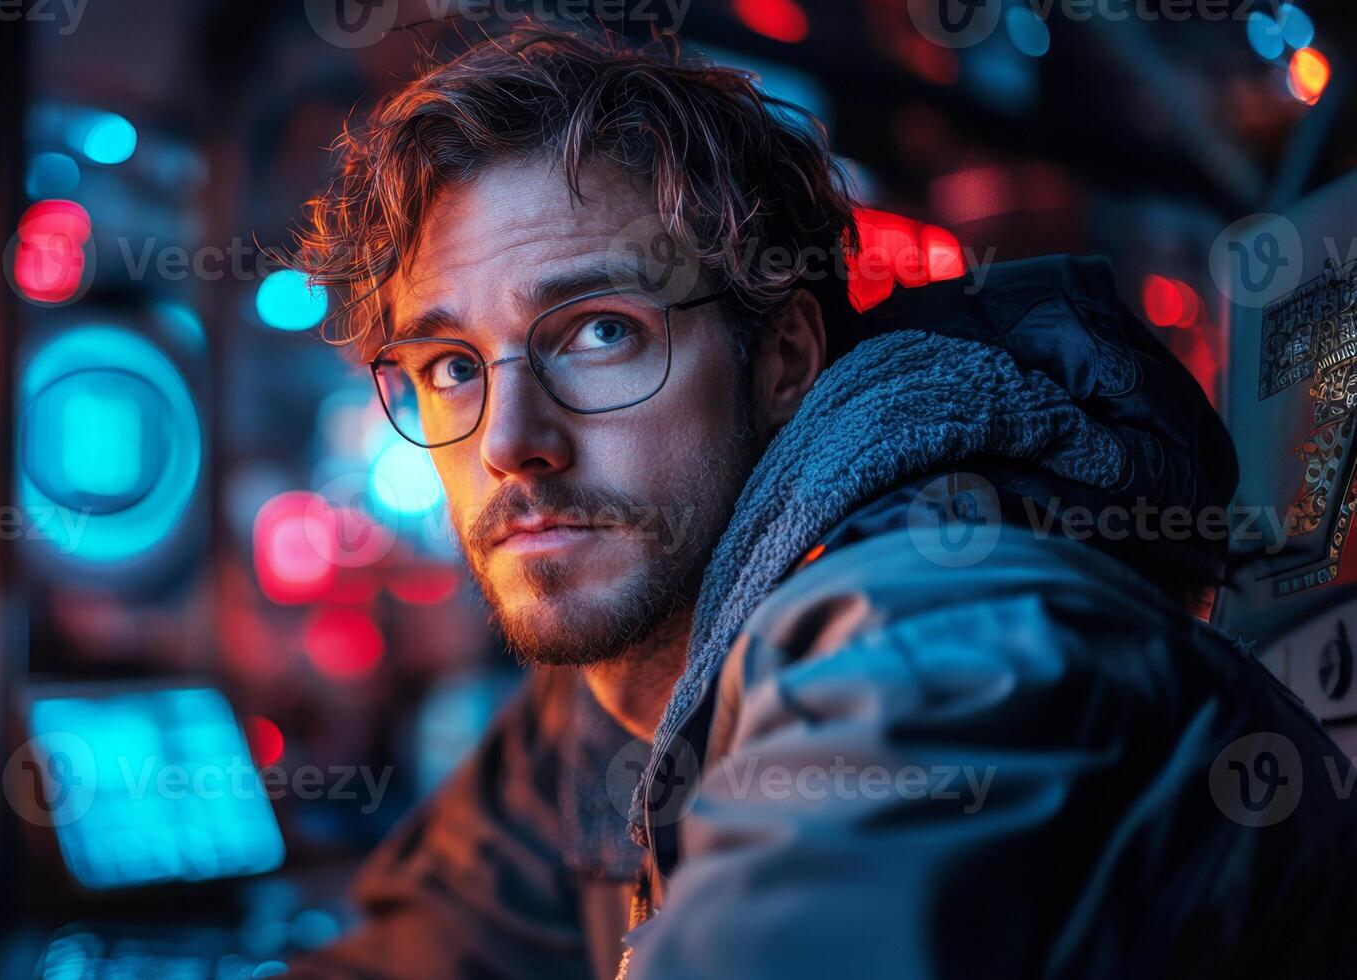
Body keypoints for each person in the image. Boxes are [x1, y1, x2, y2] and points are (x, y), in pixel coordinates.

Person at [279, 23, 1357, 980]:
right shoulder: (619, 686)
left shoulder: (938, 631)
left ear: (783, 356)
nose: (511, 444)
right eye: (450, 364)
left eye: (600, 330)